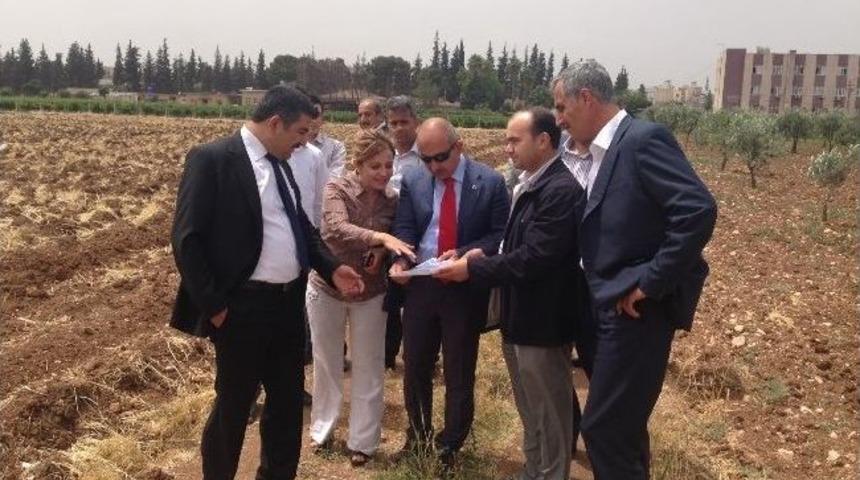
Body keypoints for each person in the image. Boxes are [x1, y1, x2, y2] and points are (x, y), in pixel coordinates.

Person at [170, 86, 365, 480]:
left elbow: (302, 229)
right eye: (301, 131)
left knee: (287, 403)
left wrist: (331, 268)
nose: (305, 141)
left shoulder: (281, 164)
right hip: (241, 309)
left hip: (287, 305)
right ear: (276, 123)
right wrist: (216, 307)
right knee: (233, 406)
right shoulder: (213, 159)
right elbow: (187, 239)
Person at [552, 60, 717, 479]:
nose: (559, 119)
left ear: (586, 98)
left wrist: (651, 282)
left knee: (604, 429)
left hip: (635, 310)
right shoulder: (598, 151)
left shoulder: (642, 140)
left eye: (562, 107)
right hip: (603, 301)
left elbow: (697, 210)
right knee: (622, 428)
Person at [435, 108, 588, 480]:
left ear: (543, 140)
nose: (507, 148)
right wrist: (479, 254)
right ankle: (532, 472)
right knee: (531, 411)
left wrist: (473, 269)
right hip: (519, 318)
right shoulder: (531, 183)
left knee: (549, 417)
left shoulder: (560, 191)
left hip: (543, 323)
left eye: (514, 140)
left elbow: (535, 258)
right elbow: (513, 247)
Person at [388, 118, 510, 470]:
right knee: (415, 366)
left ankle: (450, 445)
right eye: (426, 159)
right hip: (422, 285)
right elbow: (405, 227)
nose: (433, 167)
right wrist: (400, 260)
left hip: (462, 288)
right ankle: (418, 438)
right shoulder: (413, 180)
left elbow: (499, 235)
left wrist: (466, 254)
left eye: (440, 158)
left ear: (459, 146)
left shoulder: (489, 182)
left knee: (458, 370)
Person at [306, 129, 415, 467]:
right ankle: (322, 430)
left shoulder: (393, 200)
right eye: (375, 166)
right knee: (327, 363)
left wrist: (381, 250)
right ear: (357, 163)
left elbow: (396, 237)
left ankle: (363, 442)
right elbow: (336, 228)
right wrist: (379, 236)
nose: (383, 173)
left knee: (369, 365)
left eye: (388, 165)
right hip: (328, 289)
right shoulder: (336, 189)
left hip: (371, 292)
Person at [381, 95, 422, 369]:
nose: (398, 128)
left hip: (417, 232)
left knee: (418, 298)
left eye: (404, 122)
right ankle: (387, 355)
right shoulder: (384, 153)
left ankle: (420, 355)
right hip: (384, 233)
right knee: (389, 297)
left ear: (415, 122)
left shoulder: (427, 154)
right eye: (393, 123)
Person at [307, 95, 347, 178]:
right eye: (307, 115)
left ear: (322, 118)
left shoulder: (336, 148)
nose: (311, 120)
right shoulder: (289, 148)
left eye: (315, 115)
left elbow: (335, 178)